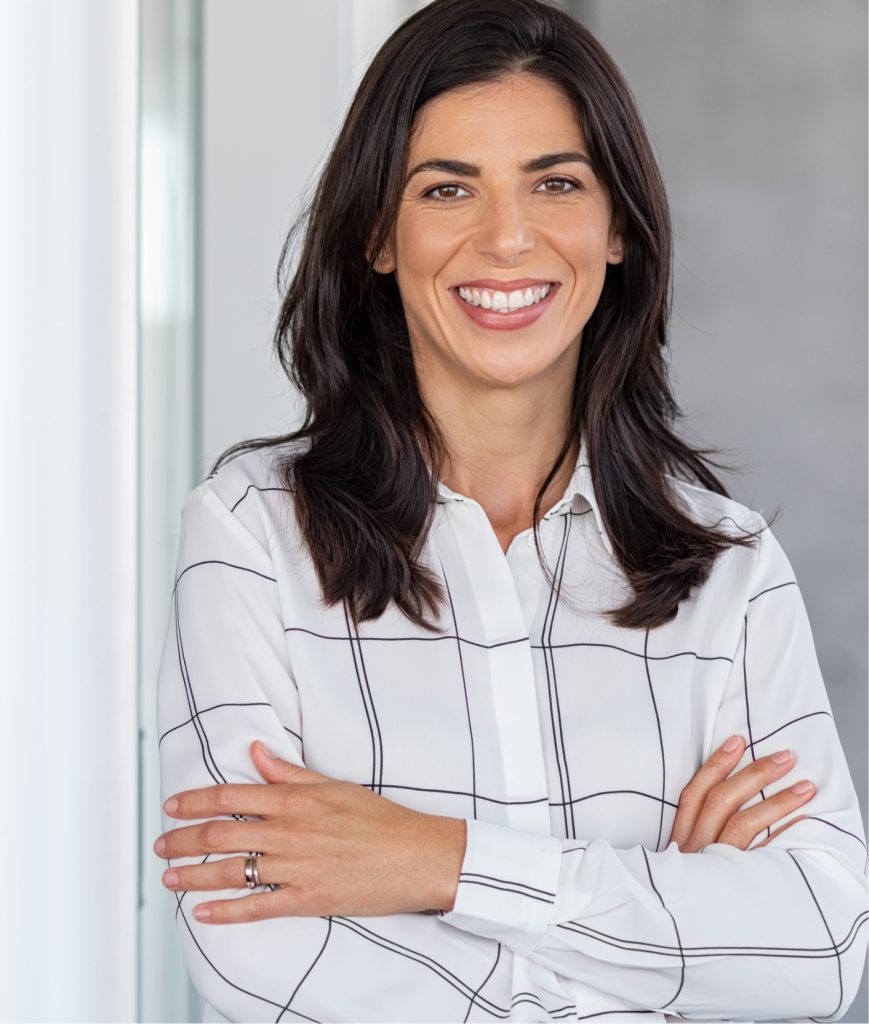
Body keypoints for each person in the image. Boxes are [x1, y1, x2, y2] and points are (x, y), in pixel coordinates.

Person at [154, 1, 868, 1020]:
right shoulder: (249, 539)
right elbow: (247, 941)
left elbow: (820, 944)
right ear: (377, 236)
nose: (505, 237)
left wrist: (435, 863)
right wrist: (663, 920)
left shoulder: (730, 569)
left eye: (555, 182)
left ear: (615, 225)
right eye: (447, 188)